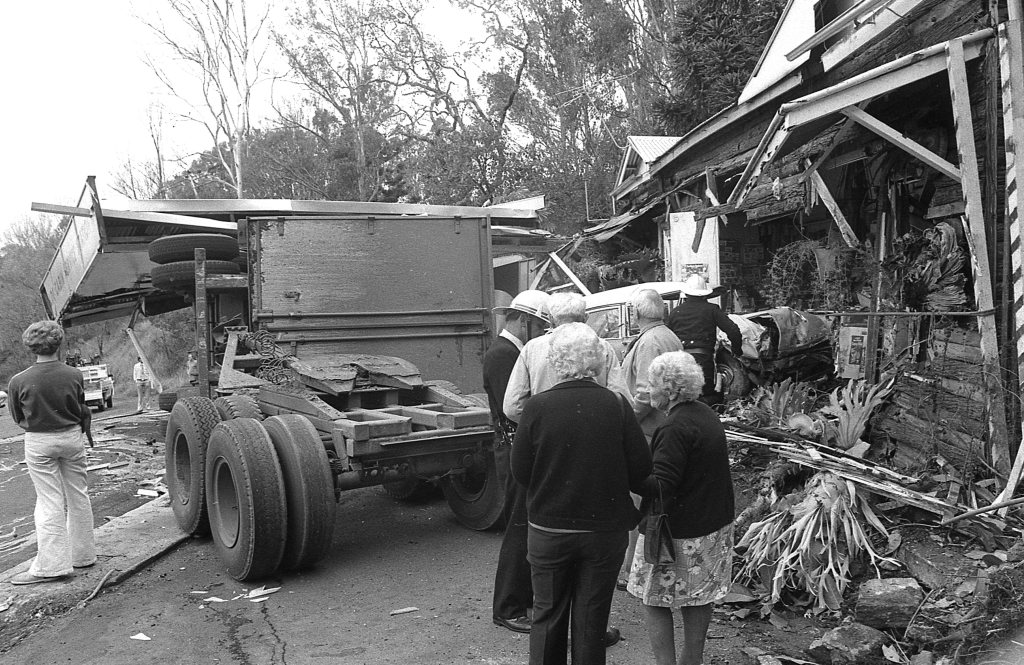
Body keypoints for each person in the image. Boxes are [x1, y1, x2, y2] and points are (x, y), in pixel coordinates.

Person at [511, 323, 652, 665]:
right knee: (592, 622)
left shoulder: (536, 408)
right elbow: (640, 472)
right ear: (599, 362)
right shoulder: (617, 406)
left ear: (557, 362)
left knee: (546, 617)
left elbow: (521, 473)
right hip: (603, 533)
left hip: (549, 530)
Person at [627, 351, 735, 665]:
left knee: (654, 598)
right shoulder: (704, 413)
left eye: (651, 385)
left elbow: (661, 485)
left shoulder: (674, 428)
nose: (647, 391)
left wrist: (630, 475)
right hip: (712, 524)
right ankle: (692, 661)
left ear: (671, 391)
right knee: (699, 597)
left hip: (678, 532)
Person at [7, 320, 97, 585]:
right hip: (72, 437)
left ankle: (52, 566)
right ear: (59, 342)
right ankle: (83, 555)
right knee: (78, 495)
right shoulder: (74, 374)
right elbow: (80, 406)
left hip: (39, 440)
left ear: (30, 346)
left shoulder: (18, 380)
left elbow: (16, 416)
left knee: (49, 501)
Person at [486, 289, 551, 635]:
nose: (541, 334)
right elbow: (514, 410)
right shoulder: (503, 354)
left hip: (515, 447)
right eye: (540, 327)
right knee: (517, 526)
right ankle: (507, 606)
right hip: (513, 449)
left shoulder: (510, 351)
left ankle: (518, 601)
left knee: (524, 525)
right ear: (525, 322)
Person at [618, 288, 684, 588]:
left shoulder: (649, 341)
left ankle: (632, 568)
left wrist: (626, 423)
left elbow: (644, 393)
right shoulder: (668, 335)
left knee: (638, 499)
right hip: (663, 425)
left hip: (648, 429)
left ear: (636, 314)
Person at [502, 292, 632, 425]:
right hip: (595, 430)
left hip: (548, 435)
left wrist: (538, 424)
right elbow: (622, 397)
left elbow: (512, 407)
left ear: (551, 319)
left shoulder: (532, 348)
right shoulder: (603, 347)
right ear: (586, 318)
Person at [665, 274, 742, 405]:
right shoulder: (712, 310)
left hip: (681, 360)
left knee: (682, 396)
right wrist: (736, 350)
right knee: (706, 395)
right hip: (703, 360)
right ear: (705, 294)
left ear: (687, 294)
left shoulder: (675, 312)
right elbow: (733, 330)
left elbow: (667, 337)